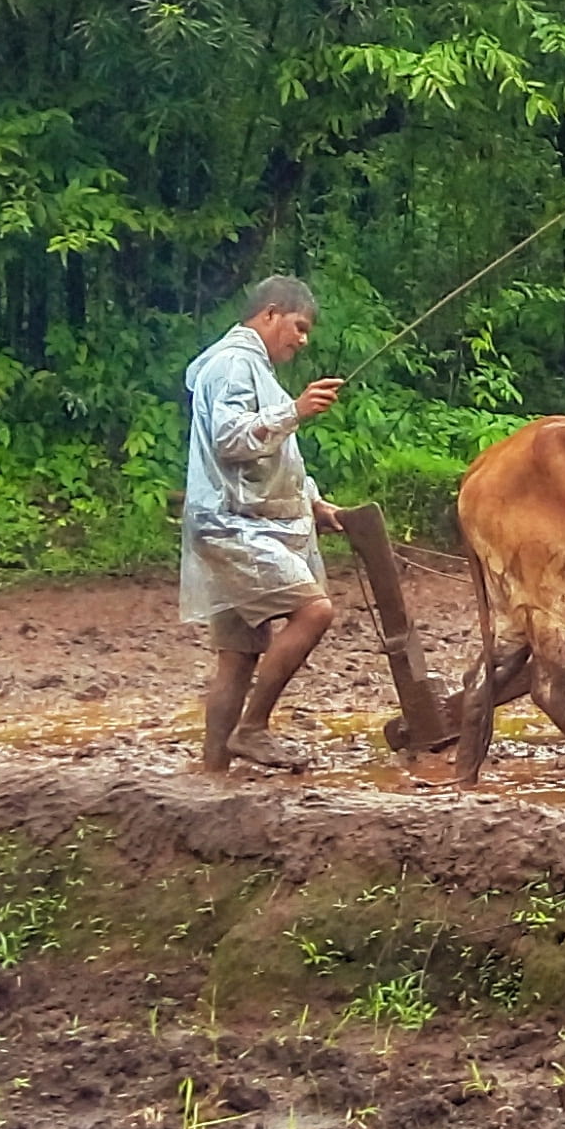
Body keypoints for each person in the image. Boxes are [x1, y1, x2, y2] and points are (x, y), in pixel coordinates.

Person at [186, 275, 347, 773]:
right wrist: (295, 411)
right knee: (315, 611)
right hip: (233, 527)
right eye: (298, 327)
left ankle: (213, 773)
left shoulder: (251, 368)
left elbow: (274, 460)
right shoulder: (235, 365)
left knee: (236, 657)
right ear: (270, 314)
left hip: (229, 523)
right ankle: (253, 728)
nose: (302, 340)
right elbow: (231, 440)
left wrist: (314, 502)